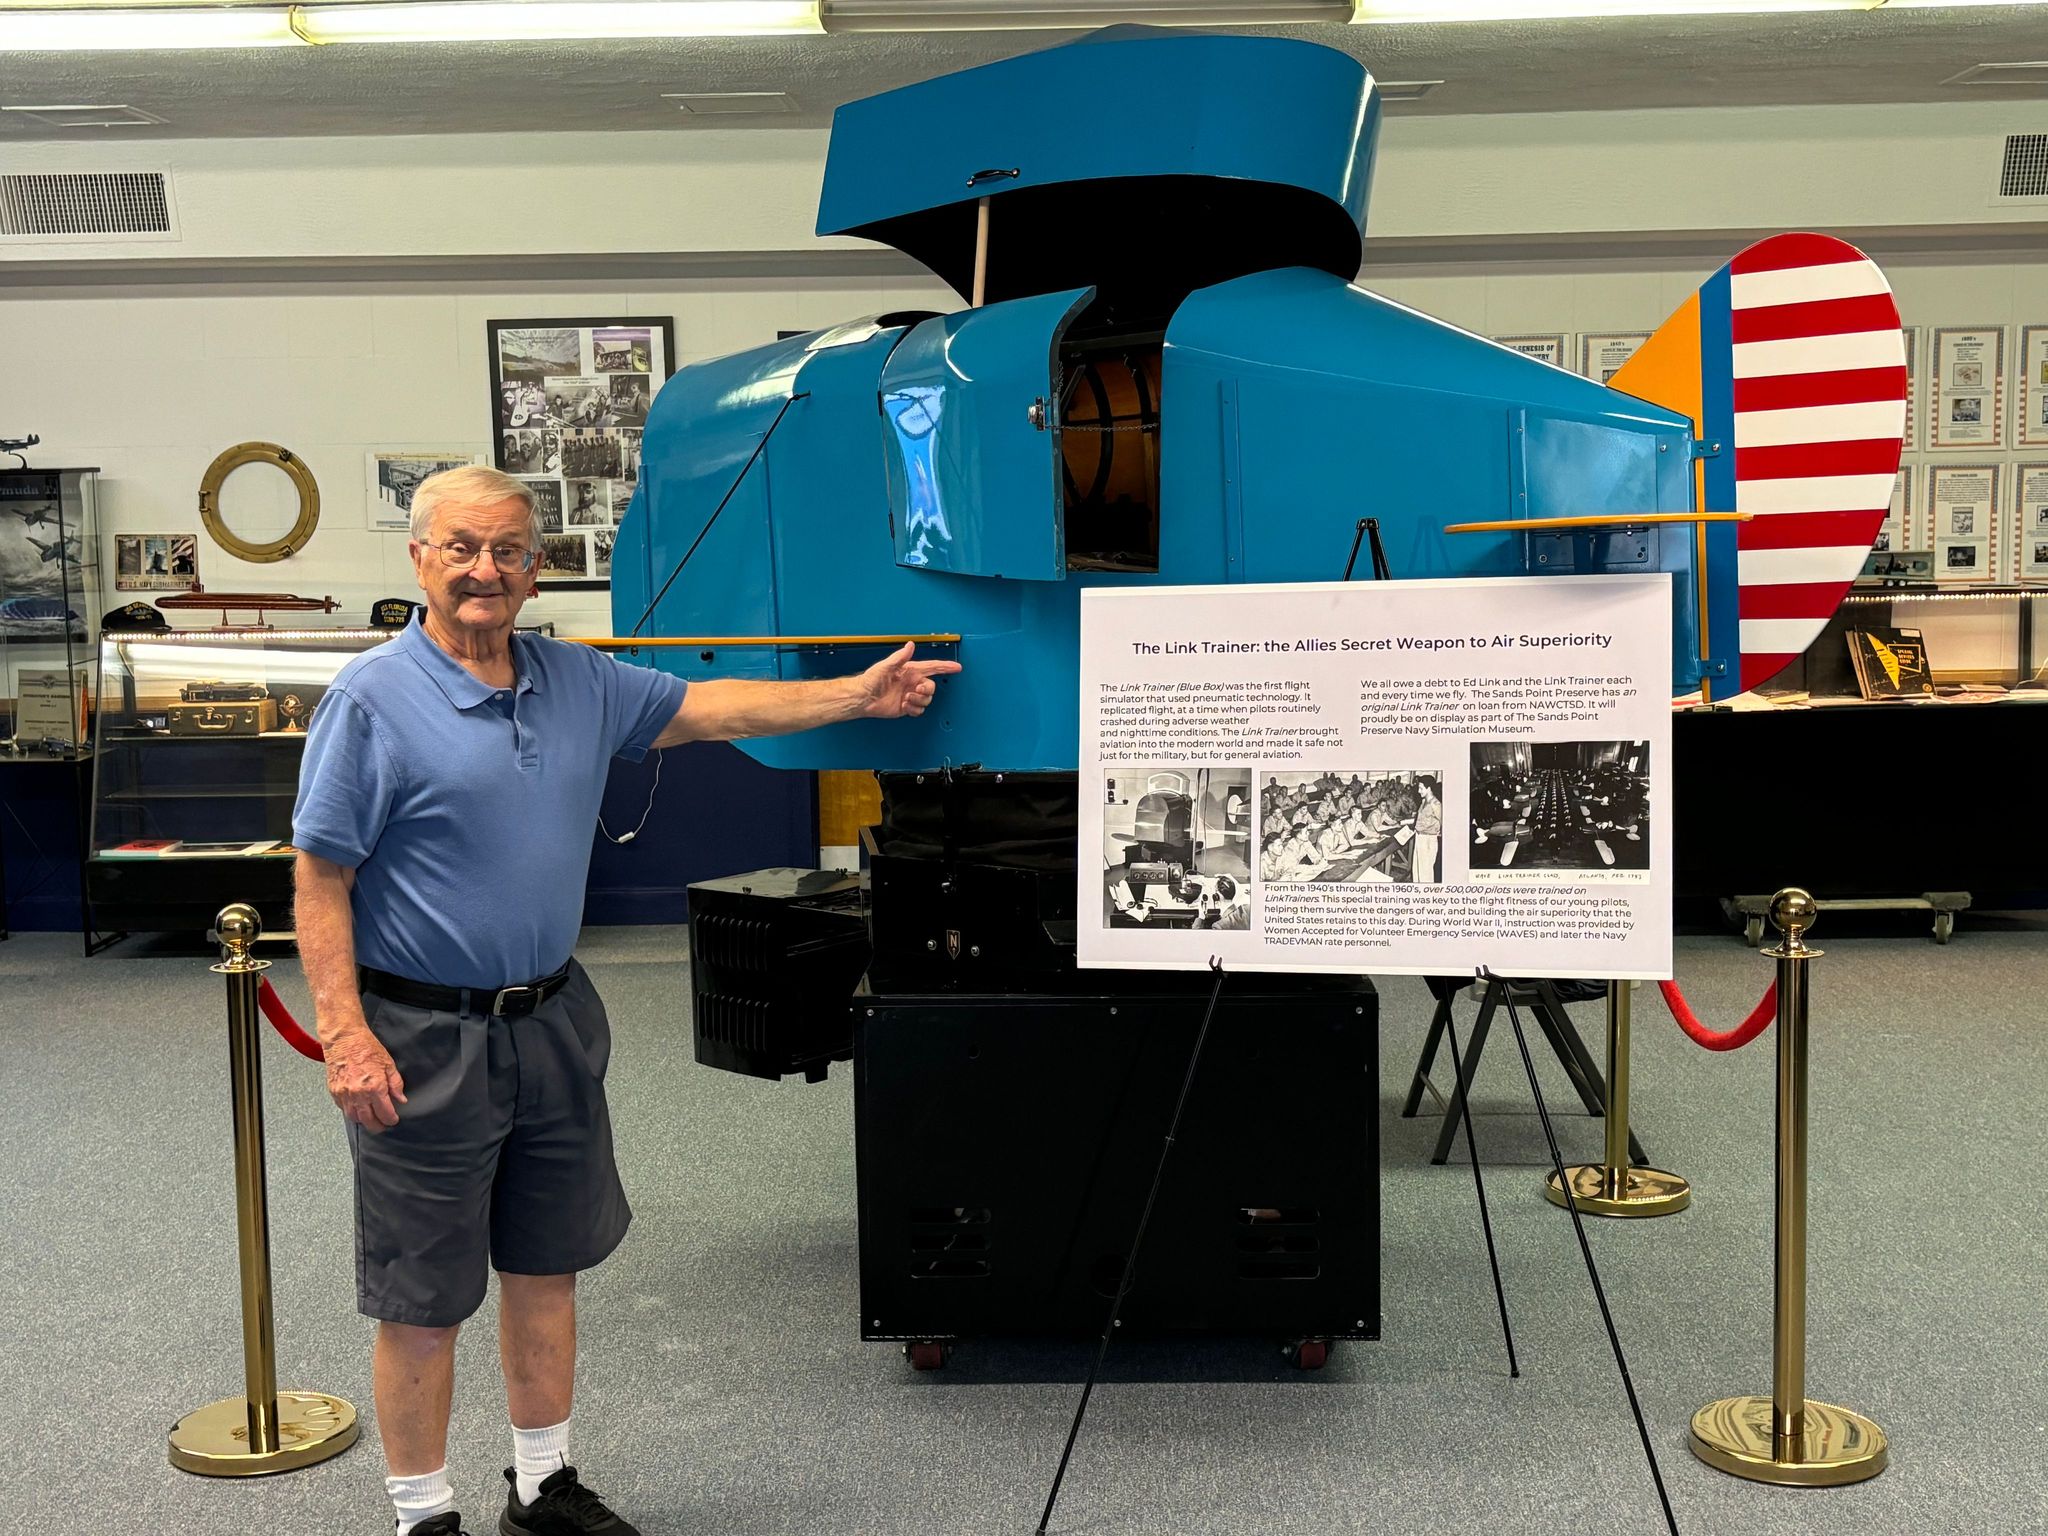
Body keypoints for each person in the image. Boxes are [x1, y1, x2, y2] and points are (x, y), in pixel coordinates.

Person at [292, 466, 957, 1536]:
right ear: (418, 557)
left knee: (546, 1262)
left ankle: (541, 1487)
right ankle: (422, 1517)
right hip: (421, 1036)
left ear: (534, 568)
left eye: (509, 551)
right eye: (461, 546)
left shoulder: (576, 679)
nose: (485, 570)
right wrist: (345, 1032)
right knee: (422, 1300)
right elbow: (320, 872)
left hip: (553, 1021)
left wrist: (854, 696)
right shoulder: (372, 699)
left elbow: (711, 706)